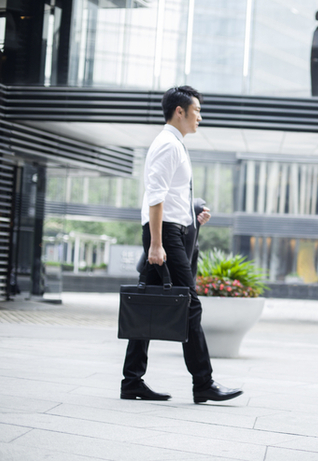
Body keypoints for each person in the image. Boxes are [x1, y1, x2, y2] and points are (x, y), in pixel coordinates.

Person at [121, 86, 243, 404]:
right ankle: (203, 383)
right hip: (165, 234)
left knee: (147, 304)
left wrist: (192, 220)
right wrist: (157, 244)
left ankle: (131, 380)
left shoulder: (175, 143)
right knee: (189, 305)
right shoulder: (167, 145)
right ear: (180, 111)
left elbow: (172, 198)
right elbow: (155, 196)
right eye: (197, 110)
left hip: (174, 230)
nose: (200, 117)